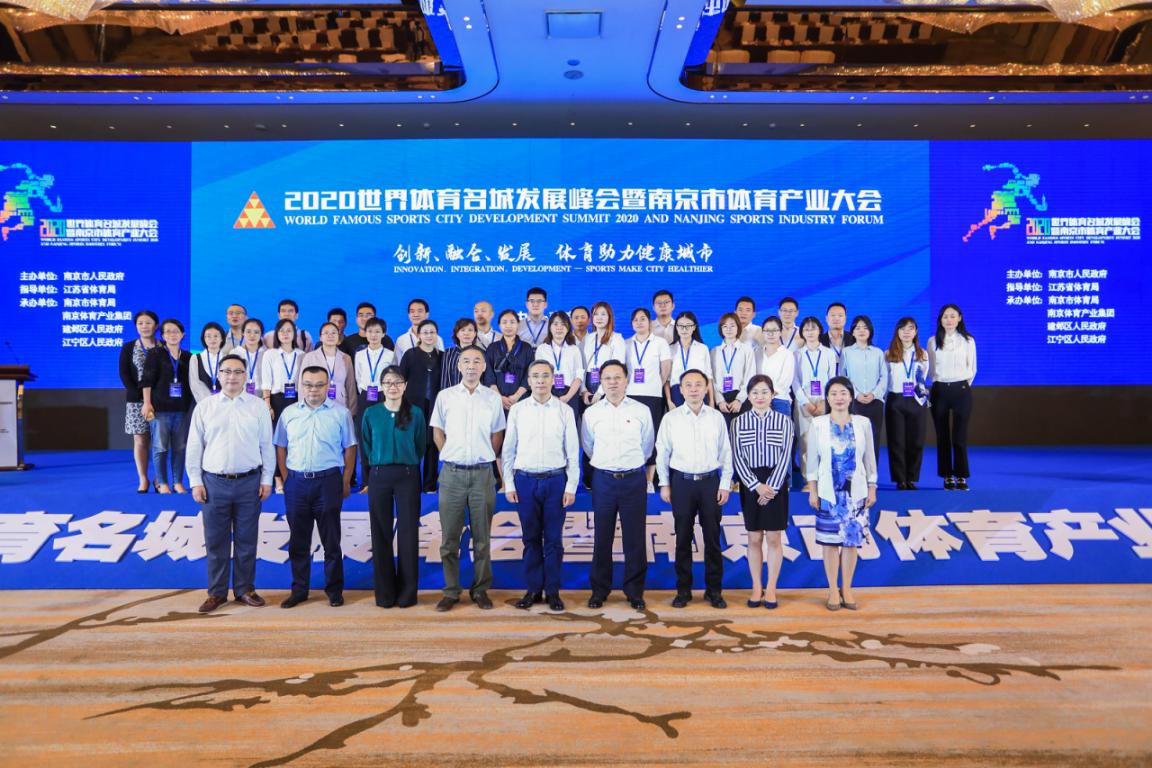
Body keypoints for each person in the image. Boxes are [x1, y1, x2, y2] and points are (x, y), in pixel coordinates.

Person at [185, 353, 275, 613]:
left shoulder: (257, 406)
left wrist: (267, 479)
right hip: (214, 483)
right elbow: (194, 446)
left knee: (247, 540)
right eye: (226, 371)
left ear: (246, 376)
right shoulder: (205, 407)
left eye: (237, 372)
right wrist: (195, 481)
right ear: (218, 375)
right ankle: (217, 593)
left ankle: (245, 589)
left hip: (249, 482)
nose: (232, 376)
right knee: (216, 541)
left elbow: (266, 445)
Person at [429, 346, 507, 612]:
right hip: (452, 475)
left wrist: (485, 456)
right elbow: (437, 432)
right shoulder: (445, 396)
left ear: (484, 367)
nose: (471, 366)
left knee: (482, 538)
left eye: (477, 361)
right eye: (466, 361)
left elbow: (497, 434)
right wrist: (449, 455)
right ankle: (451, 591)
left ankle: (480, 589)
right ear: (458, 366)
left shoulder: (492, 398)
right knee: (449, 539)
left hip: (483, 474)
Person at [275, 365, 357, 609]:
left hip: (328, 482)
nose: (314, 390)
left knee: (331, 541)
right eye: (308, 385)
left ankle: (334, 590)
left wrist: (345, 480)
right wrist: (287, 478)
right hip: (297, 483)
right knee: (298, 542)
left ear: (328, 386)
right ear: (301, 385)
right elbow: (281, 446)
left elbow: (350, 447)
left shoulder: (340, 413)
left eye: (319, 385)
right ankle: (299, 590)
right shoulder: (289, 413)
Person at [503, 360, 580, 612]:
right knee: (531, 538)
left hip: (556, 481)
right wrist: (509, 482)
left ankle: (553, 591)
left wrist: (571, 486)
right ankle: (533, 589)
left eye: (545, 375)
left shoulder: (564, 410)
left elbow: (572, 452)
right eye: (535, 376)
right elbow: (508, 449)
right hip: (524, 481)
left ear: (553, 379)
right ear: (528, 380)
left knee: (554, 540)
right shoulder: (518, 410)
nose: (540, 380)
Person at [656, 368, 733, 610]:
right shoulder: (671, 418)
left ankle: (714, 591)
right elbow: (662, 453)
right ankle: (683, 591)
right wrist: (664, 484)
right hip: (682, 483)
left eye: (698, 384)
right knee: (682, 539)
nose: (693, 389)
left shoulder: (716, 417)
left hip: (710, 483)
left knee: (712, 539)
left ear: (706, 388)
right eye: (688, 385)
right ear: (680, 390)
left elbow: (726, 452)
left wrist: (725, 483)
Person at [581, 360, 655, 611]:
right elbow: (588, 446)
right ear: (600, 382)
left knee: (635, 538)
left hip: (633, 480)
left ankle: (634, 592)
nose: (612, 382)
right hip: (603, 480)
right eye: (607, 378)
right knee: (602, 537)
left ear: (626, 380)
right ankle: (599, 590)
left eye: (617, 377)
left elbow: (647, 446)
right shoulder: (592, 413)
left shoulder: (642, 410)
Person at [806, 377, 877, 612]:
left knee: (850, 543)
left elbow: (869, 459)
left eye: (843, 393)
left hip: (855, 493)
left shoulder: (863, 423)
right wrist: (813, 490)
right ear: (827, 398)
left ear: (851, 396)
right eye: (834, 393)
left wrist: (872, 486)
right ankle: (832, 589)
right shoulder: (818, 424)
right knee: (829, 544)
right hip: (828, 493)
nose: (839, 398)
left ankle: (847, 588)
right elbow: (812, 461)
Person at [362, 365, 426, 608]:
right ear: (381, 386)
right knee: (380, 533)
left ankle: (407, 594)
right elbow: (366, 445)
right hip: (379, 475)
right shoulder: (371, 413)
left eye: (398, 382)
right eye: (388, 382)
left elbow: (420, 445)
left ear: (405, 385)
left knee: (408, 533)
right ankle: (385, 594)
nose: (393, 386)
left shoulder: (416, 413)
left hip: (407, 475)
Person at [731, 374, 794, 609]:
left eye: (764, 392)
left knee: (774, 537)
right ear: (748, 396)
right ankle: (756, 587)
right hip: (751, 484)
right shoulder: (738, 422)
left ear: (773, 394)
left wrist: (772, 488)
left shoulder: (785, 421)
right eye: (755, 392)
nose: (760, 397)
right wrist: (756, 486)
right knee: (754, 537)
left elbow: (786, 456)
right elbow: (737, 456)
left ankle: (772, 588)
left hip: (776, 483)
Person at [928, 304, 977, 491]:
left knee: (959, 436)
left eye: (952, 316)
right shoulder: (933, 341)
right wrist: (939, 382)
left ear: (959, 318)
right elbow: (931, 368)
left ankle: (961, 476)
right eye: (945, 316)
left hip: (961, 390)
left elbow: (972, 368)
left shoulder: (968, 341)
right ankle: (947, 475)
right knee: (942, 436)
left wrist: (961, 384)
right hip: (939, 390)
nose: (949, 320)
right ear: (940, 320)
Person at [141, 318, 192, 494]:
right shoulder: (155, 354)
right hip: (160, 409)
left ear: (182, 334)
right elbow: (147, 380)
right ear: (162, 336)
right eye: (168, 331)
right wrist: (147, 403)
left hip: (181, 409)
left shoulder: (189, 357)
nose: (172, 334)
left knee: (180, 448)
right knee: (160, 447)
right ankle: (162, 483)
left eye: (176, 331)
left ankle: (178, 482)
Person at [625, 308, 671, 491]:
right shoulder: (626, 343)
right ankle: (633, 476)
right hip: (630, 394)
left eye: (643, 319)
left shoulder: (660, 342)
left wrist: (656, 384)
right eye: (635, 320)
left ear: (649, 322)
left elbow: (665, 367)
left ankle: (649, 480)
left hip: (653, 395)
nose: (639, 322)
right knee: (632, 436)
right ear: (632, 324)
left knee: (652, 435)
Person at [885, 317, 931, 490]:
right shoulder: (888, 354)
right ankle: (900, 479)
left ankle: (911, 478)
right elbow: (885, 378)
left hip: (916, 399)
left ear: (916, 332)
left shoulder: (922, 354)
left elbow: (923, 377)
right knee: (896, 441)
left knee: (916, 441)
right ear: (897, 331)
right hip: (895, 399)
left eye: (910, 328)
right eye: (902, 328)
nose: (906, 332)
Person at [398, 319, 443, 493]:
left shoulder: (442, 356)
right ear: (419, 335)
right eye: (425, 332)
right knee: (413, 443)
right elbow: (400, 380)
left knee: (433, 443)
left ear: (437, 335)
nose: (429, 335)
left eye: (432, 332)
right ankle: (412, 482)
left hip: (435, 406)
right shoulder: (410, 354)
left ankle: (430, 484)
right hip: (413, 405)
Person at [260, 318, 304, 492]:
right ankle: (278, 478)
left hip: (297, 400)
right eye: (282, 331)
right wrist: (268, 404)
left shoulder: (302, 355)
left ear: (294, 334)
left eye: (289, 330)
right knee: (277, 440)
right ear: (276, 334)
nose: (285, 334)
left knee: (296, 439)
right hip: (277, 400)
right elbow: (266, 381)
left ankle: (294, 475)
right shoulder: (270, 354)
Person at [792, 316, 836, 489]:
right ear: (802, 332)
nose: (810, 332)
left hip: (825, 401)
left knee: (824, 441)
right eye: (806, 329)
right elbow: (794, 380)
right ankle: (809, 481)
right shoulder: (797, 354)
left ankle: (824, 479)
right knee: (805, 442)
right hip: (804, 401)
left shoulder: (829, 353)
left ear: (820, 330)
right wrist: (805, 402)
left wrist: (826, 401)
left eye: (813, 328)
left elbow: (832, 378)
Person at [353, 318, 396, 491]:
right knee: (364, 437)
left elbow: (394, 376)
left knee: (384, 436)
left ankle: (384, 479)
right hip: (365, 396)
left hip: (383, 396)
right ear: (365, 333)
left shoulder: (390, 355)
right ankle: (366, 482)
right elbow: (358, 377)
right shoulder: (359, 355)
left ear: (383, 334)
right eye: (370, 331)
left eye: (377, 331)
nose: (373, 335)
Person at [119, 309, 158, 493]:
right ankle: (143, 479)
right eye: (140, 323)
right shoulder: (128, 347)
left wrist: (154, 397)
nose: (144, 326)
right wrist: (142, 397)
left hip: (160, 401)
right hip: (136, 401)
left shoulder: (164, 346)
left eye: (148, 322)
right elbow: (124, 374)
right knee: (140, 440)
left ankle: (159, 478)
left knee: (161, 442)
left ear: (156, 325)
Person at [842, 315, 887, 463]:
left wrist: (874, 394)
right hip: (854, 402)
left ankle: (871, 473)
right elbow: (843, 376)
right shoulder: (846, 352)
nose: (861, 331)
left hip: (875, 402)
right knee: (854, 439)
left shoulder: (878, 352)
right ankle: (855, 473)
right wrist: (856, 394)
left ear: (870, 331)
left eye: (865, 327)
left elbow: (884, 377)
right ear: (852, 332)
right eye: (858, 328)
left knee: (874, 438)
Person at [535, 310, 584, 418]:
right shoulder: (542, 349)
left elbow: (579, 376)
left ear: (568, 328)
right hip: (547, 393)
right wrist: (550, 396)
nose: (559, 328)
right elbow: (539, 375)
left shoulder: (574, 349)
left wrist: (567, 397)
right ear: (550, 327)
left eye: (563, 324)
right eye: (555, 324)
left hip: (570, 393)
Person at [484, 309, 534, 412]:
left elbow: (529, 375)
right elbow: (489, 375)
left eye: (512, 322)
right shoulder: (492, 348)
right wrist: (500, 398)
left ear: (518, 324)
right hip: (496, 401)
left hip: (522, 400)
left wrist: (516, 396)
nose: (508, 326)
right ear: (499, 325)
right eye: (504, 322)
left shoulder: (526, 348)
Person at [302, 322, 358, 412]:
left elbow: (351, 386)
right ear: (320, 337)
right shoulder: (310, 357)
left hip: (341, 405)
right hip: (316, 404)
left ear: (338, 337)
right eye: (326, 333)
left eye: (333, 333)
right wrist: (303, 408)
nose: (330, 335)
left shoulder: (346, 358)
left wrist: (352, 410)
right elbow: (302, 384)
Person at [712, 312, 755, 426]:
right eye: (725, 326)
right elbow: (712, 379)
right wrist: (720, 401)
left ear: (738, 327)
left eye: (732, 325)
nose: (728, 329)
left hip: (741, 398)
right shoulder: (714, 351)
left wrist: (739, 400)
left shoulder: (747, 350)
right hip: (721, 400)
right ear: (721, 329)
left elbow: (750, 377)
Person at [580, 301, 626, 407]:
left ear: (609, 317)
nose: (599, 318)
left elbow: (617, 369)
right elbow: (580, 367)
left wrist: (600, 392)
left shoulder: (617, 339)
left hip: (608, 385)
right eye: (596, 314)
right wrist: (583, 390)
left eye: (603, 314)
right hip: (587, 386)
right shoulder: (587, 339)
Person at [666, 310, 713, 409]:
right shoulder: (669, 349)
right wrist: (669, 400)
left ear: (694, 327)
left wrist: (711, 401)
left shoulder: (702, 348)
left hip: (698, 390)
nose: (684, 329)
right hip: (677, 392)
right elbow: (667, 379)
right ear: (676, 327)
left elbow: (708, 376)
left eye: (688, 326)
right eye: (681, 326)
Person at [758, 316, 796, 417]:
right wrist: (761, 395)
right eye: (767, 330)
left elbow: (785, 381)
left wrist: (767, 396)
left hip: (780, 400)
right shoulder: (756, 353)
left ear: (780, 332)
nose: (770, 334)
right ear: (762, 332)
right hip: (758, 401)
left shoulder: (787, 354)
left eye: (774, 330)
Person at [189, 322, 226, 403]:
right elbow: (194, 383)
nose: (212, 339)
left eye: (216, 336)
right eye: (208, 336)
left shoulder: (228, 358)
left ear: (222, 338)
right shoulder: (195, 358)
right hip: (202, 403)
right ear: (204, 339)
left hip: (225, 403)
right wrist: (209, 402)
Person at [441, 318, 478, 392]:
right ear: (457, 334)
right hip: (452, 396)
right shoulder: (448, 353)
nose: (466, 333)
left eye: (470, 330)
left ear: (475, 334)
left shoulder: (481, 354)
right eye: (462, 330)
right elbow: (444, 377)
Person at [236, 318, 265, 396]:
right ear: (243, 333)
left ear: (261, 334)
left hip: (263, 395)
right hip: (241, 394)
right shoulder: (235, 353)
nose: (252, 335)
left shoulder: (266, 353)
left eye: (256, 332)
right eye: (248, 331)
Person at [819, 303, 849, 375]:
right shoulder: (819, 340)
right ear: (826, 319)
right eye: (833, 315)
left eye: (840, 315)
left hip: (849, 380)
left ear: (845, 319)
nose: (836, 318)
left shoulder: (854, 338)